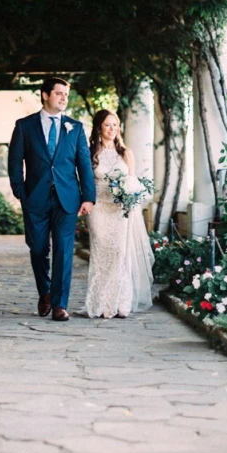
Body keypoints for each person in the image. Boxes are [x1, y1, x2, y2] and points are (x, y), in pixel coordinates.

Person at [7, 77, 96, 322]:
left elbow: (84, 164)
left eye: (66, 94)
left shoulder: (75, 128)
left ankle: (59, 304)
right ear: (45, 95)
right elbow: (15, 162)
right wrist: (20, 191)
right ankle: (44, 291)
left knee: (64, 250)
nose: (64, 98)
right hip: (35, 198)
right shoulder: (25, 126)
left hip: (67, 199)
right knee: (37, 249)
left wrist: (88, 197)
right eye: (59, 93)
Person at [84, 109, 154, 319]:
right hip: (99, 208)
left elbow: (132, 181)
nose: (112, 129)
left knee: (119, 254)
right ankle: (100, 303)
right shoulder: (90, 153)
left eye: (115, 125)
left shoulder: (126, 153)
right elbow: (86, 181)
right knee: (101, 252)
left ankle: (120, 303)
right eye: (107, 125)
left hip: (120, 210)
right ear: (99, 128)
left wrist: (129, 196)